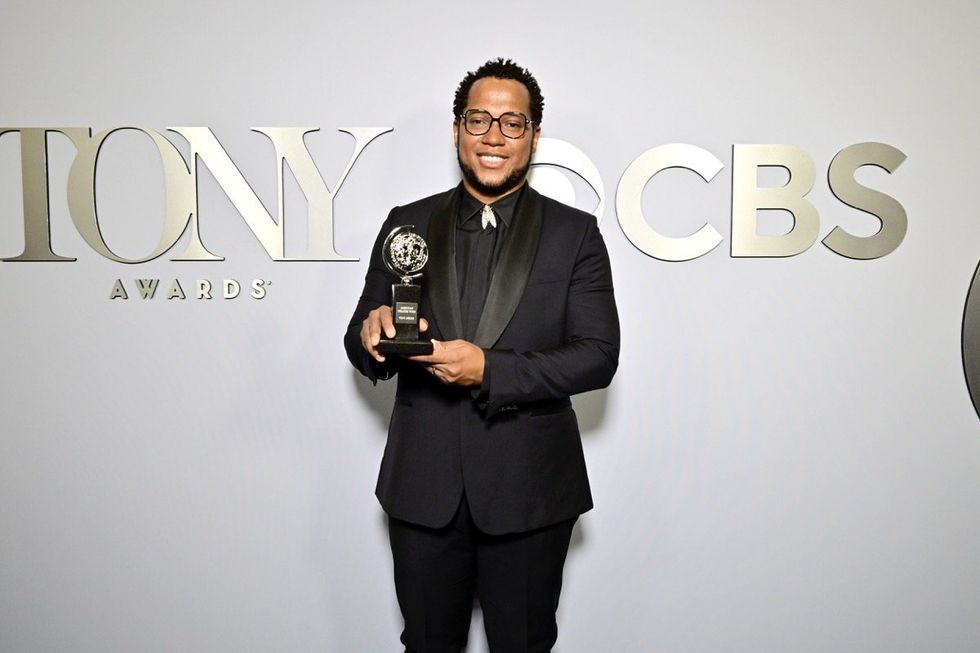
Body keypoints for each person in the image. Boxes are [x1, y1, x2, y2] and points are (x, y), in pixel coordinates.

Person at [344, 58, 620, 653]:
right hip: (422, 486)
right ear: (457, 130)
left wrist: (490, 370)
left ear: (533, 136)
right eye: (479, 120)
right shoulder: (406, 224)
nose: (494, 136)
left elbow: (598, 356)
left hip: (530, 491)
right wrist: (372, 334)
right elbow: (360, 338)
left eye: (511, 122)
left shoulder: (575, 234)